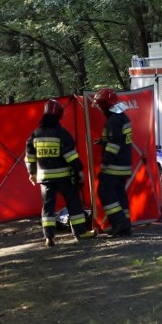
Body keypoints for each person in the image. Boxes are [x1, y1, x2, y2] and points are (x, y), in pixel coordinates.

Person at [25, 99, 95, 247]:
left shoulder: (35, 134)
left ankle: (49, 237)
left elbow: (29, 157)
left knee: (48, 207)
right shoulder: (62, 134)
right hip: (64, 177)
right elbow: (70, 156)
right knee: (74, 203)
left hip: (44, 178)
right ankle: (80, 233)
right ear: (59, 115)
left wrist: (32, 173)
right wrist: (79, 170)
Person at [93, 88, 133, 236]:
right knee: (120, 195)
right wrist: (103, 142)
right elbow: (118, 140)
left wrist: (105, 162)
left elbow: (114, 145)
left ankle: (119, 224)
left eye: (100, 105)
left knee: (104, 193)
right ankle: (126, 225)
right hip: (124, 165)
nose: (99, 108)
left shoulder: (113, 122)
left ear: (105, 105)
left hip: (113, 167)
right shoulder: (123, 118)